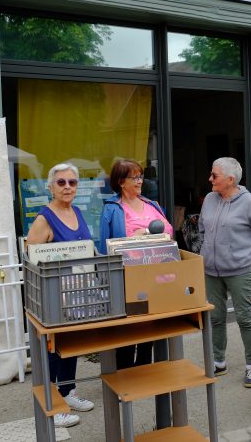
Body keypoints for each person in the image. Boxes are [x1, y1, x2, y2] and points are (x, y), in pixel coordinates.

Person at [26, 163, 95, 429]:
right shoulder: (45, 218)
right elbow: (32, 258)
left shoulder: (76, 211)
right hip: (55, 295)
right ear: (51, 187)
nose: (67, 187)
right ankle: (53, 406)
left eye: (72, 183)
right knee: (54, 349)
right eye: (61, 182)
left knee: (71, 345)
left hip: (78, 292)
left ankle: (68, 392)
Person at [200, 157, 251, 388]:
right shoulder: (210, 200)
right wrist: (204, 251)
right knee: (216, 317)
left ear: (230, 180)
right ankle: (219, 362)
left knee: (244, 318)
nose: (210, 179)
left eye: (215, 175)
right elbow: (202, 229)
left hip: (239, 271)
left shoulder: (250, 203)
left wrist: (249, 257)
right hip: (211, 270)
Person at [98, 158, 174, 369]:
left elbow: (169, 233)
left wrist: (150, 234)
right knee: (128, 327)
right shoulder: (112, 209)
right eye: (135, 177)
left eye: (141, 176)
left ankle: (143, 368)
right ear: (121, 181)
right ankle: (124, 373)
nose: (140, 181)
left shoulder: (153, 205)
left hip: (156, 275)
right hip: (127, 278)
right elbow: (105, 247)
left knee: (149, 325)